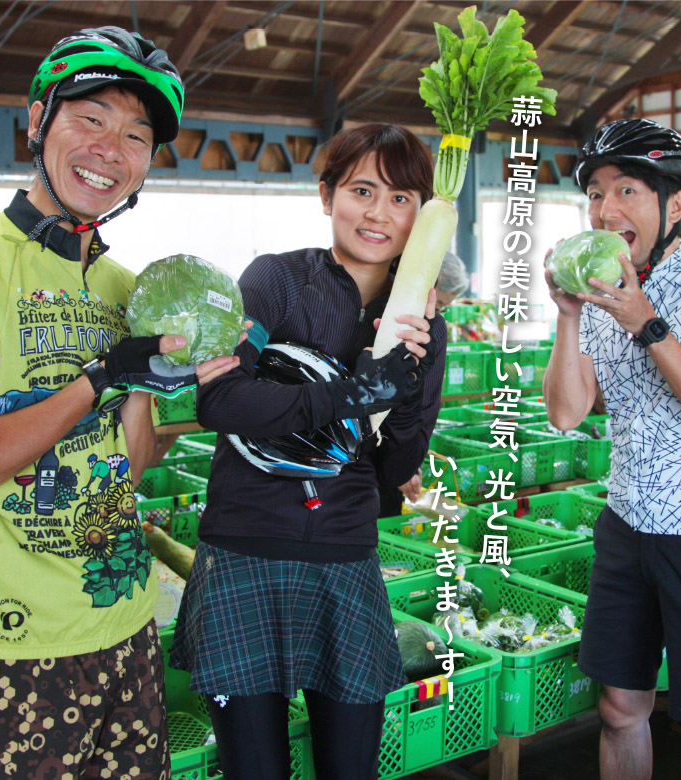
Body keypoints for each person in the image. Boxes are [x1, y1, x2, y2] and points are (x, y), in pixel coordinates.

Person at [0, 26, 243, 779]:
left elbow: (129, 461)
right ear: (36, 121)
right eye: (89, 120)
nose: (109, 150)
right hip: (9, 643)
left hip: (125, 626)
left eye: (134, 135)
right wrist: (99, 376)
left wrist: (149, 387)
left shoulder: (127, 289)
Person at [170, 123, 446, 780]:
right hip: (242, 550)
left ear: (422, 215)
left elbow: (396, 470)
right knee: (254, 770)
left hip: (343, 558)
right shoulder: (275, 281)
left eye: (402, 199)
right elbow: (219, 403)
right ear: (327, 196)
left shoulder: (421, 320)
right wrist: (356, 390)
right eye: (362, 190)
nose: (379, 213)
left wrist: (414, 378)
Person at [543, 118, 681, 780]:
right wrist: (568, 314)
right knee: (619, 708)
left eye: (627, 190)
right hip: (624, 528)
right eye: (594, 194)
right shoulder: (598, 293)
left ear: (676, 205)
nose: (605, 209)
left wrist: (643, 320)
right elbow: (565, 412)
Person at [378, 249, 470, 516]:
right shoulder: (428, 328)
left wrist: (409, 461)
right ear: (433, 280)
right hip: (378, 472)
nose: (436, 312)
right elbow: (420, 403)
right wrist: (405, 461)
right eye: (439, 303)